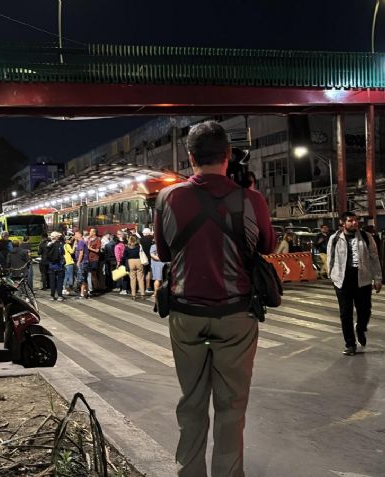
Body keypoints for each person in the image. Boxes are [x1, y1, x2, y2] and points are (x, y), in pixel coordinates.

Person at [155, 120, 275, 476]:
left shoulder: (167, 198)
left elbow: (163, 252)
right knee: (231, 407)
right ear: (227, 156)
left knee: (191, 404)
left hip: (185, 313)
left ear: (190, 157)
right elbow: (267, 246)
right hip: (236, 315)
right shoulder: (251, 199)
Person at [327, 211, 383, 356]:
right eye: (351, 220)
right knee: (345, 314)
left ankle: (360, 328)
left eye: (356, 220)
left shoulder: (366, 236)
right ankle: (350, 344)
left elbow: (374, 258)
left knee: (365, 311)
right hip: (342, 282)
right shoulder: (334, 238)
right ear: (343, 223)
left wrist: (377, 278)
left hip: (362, 281)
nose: (354, 223)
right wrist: (331, 275)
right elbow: (330, 258)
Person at [124, 234, 145, 299]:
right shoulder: (139, 246)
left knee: (132, 279)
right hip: (139, 261)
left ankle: (133, 295)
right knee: (140, 278)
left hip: (131, 262)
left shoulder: (127, 247)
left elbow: (124, 256)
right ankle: (142, 294)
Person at [46, 232, 66, 301]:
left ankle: (52, 295)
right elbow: (63, 253)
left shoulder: (48, 245)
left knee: (52, 281)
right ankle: (60, 296)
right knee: (60, 281)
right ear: (57, 237)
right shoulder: (60, 244)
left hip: (51, 265)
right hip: (59, 265)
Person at [74, 232, 91, 299]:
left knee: (81, 279)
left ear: (79, 235)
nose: (74, 236)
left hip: (82, 262)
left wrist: (78, 262)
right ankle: (85, 293)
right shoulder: (82, 241)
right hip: (85, 262)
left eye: (75, 235)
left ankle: (82, 294)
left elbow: (81, 253)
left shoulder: (80, 242)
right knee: (84, 278)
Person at [87, 228, 102, 293]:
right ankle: (91, 288)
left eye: (90, 231)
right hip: (88, 259)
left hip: (94, 259)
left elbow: (97, 250)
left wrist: (90, 248)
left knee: (94, 274)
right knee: (89, 274)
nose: (89, 232)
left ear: (94, 233)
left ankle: (96, 288)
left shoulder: (98, 240)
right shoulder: (89, 239)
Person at [140, 227, 154, 294]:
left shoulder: (140, 240)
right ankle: (148, 287)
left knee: (142, 273)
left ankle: (141, 288)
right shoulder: (151, 240)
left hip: (141, 258)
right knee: (148, 272)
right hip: (149, 257)